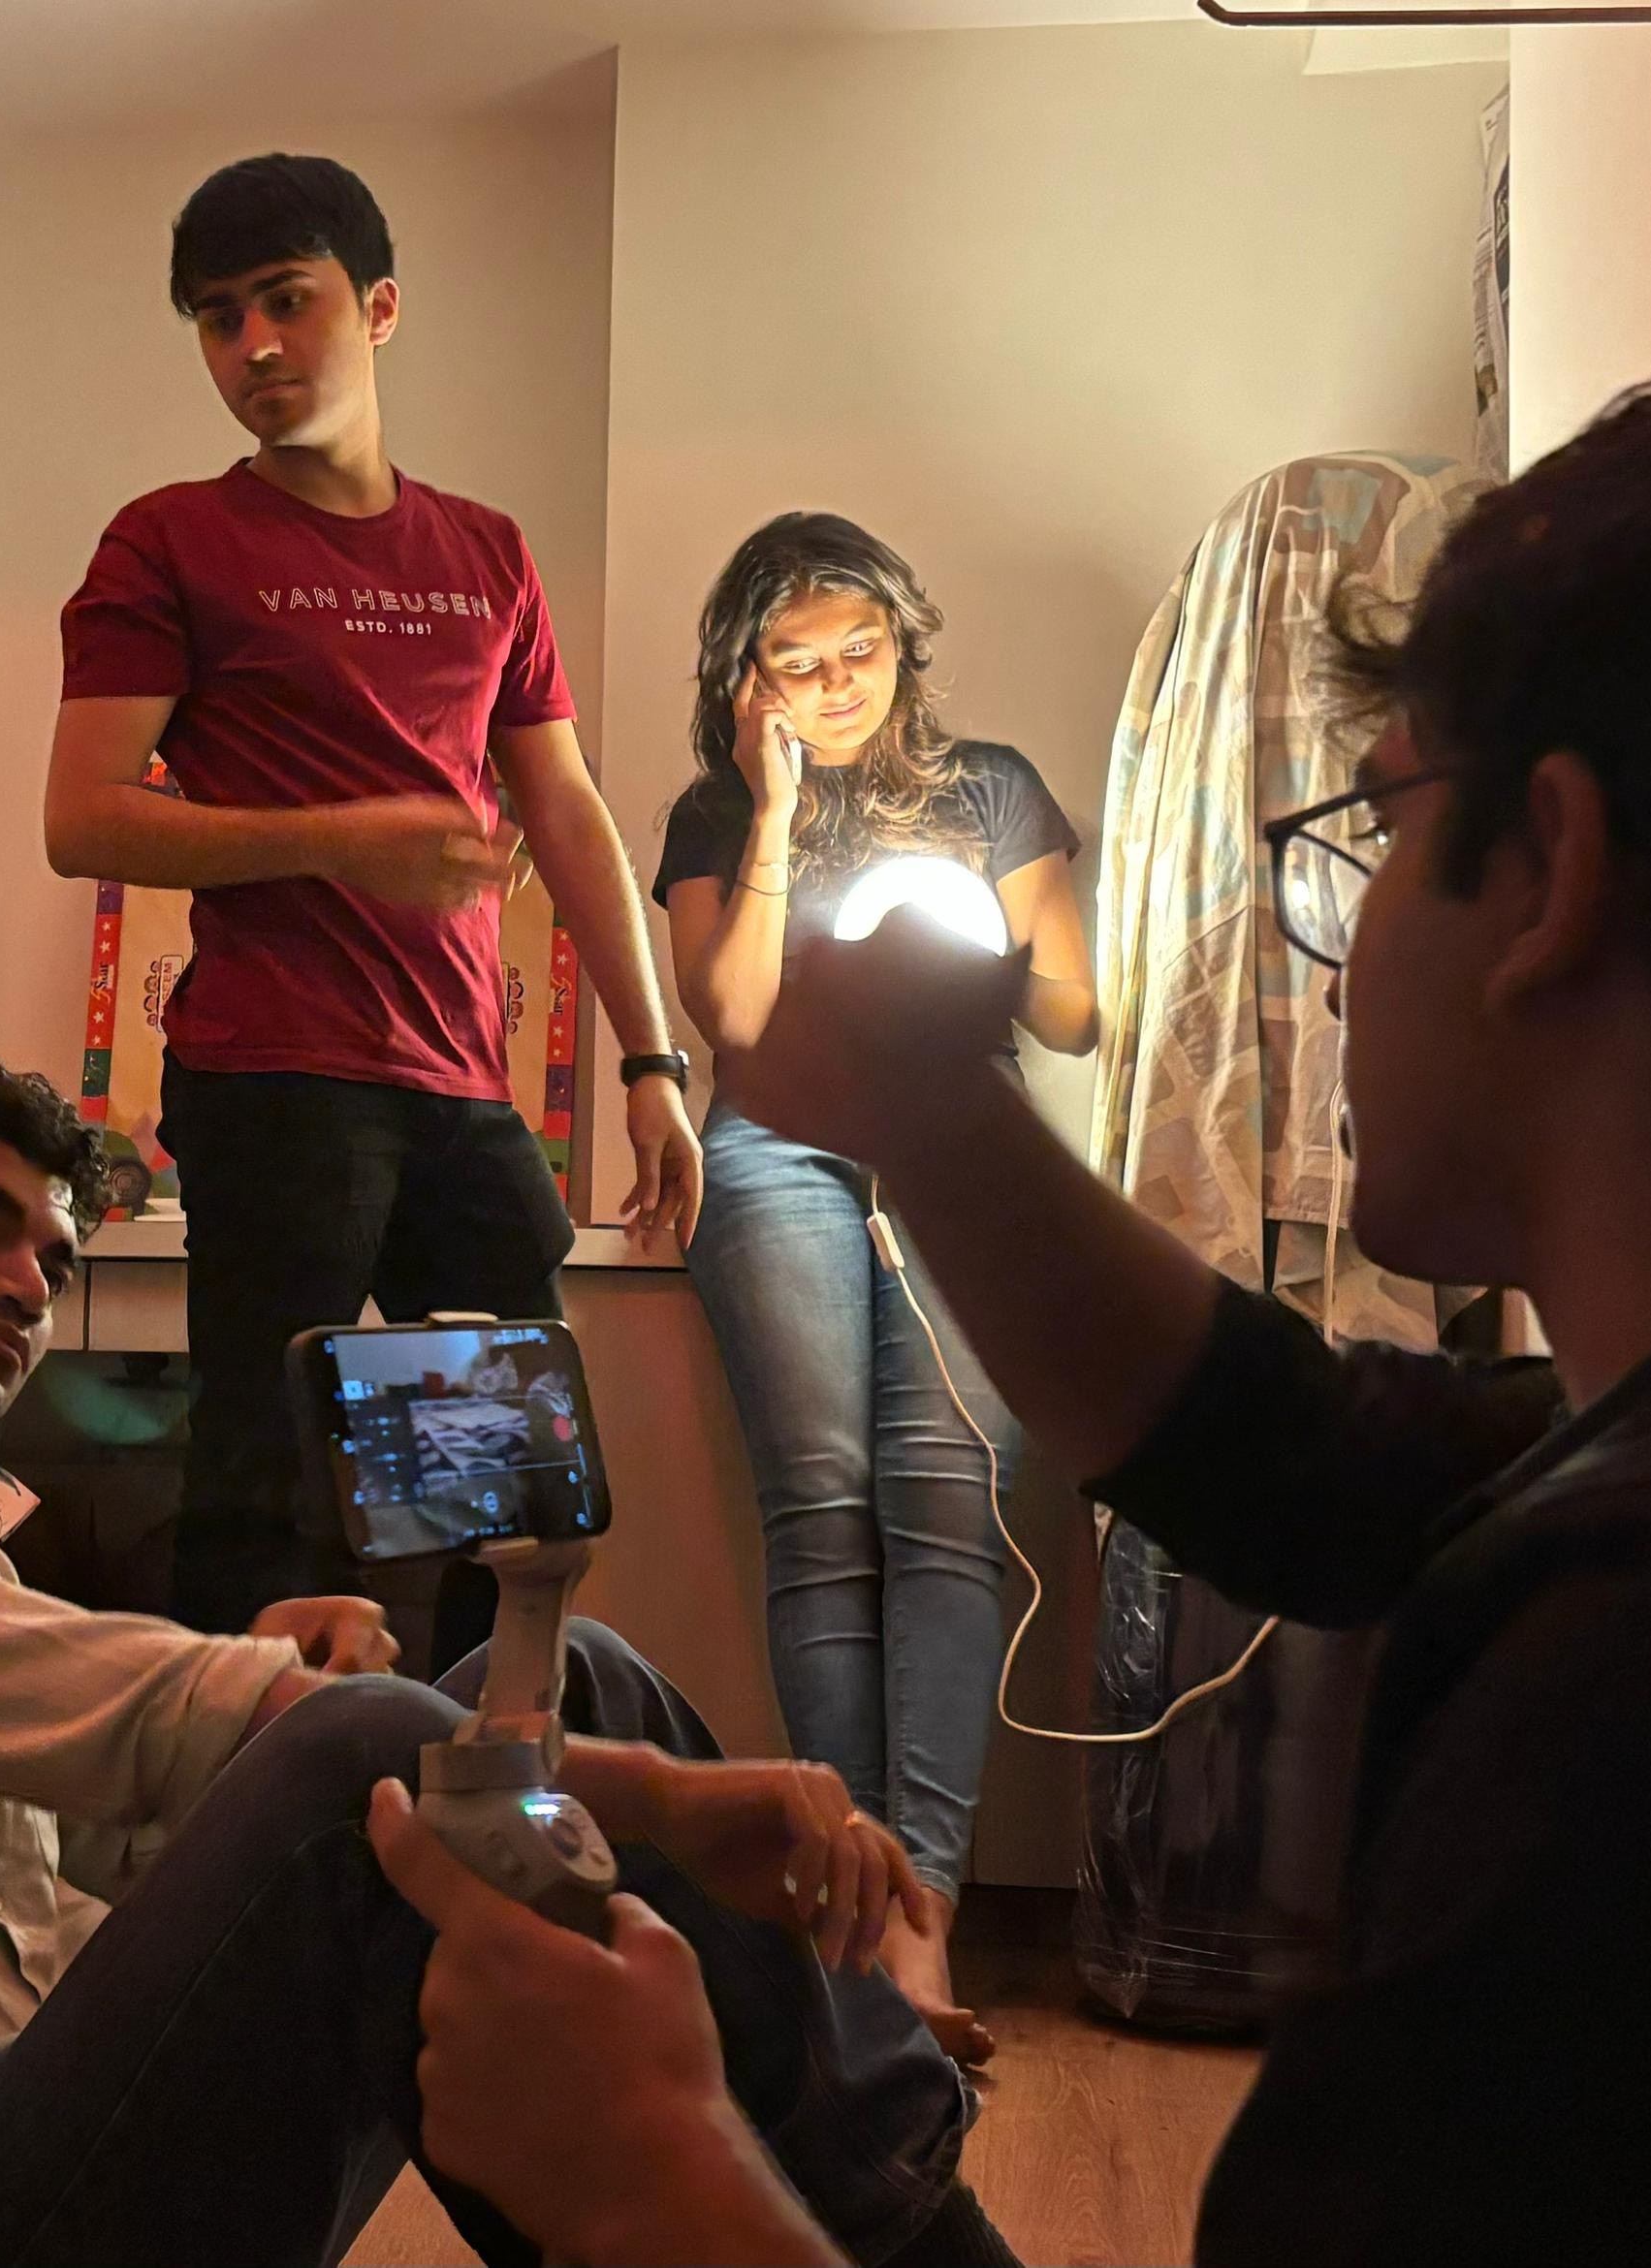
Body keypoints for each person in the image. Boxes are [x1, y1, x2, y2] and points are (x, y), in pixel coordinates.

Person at [373, 356, 1651, 2264]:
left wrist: (654, 2182)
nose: (1350, 913)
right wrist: (933, 1120)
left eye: (1375, 827)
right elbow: (1306, 1455)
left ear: (1548, 875)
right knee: (630, 1712)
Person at [0, 1056, 995, 2268]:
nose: (26, 1285)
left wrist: (265, 1731)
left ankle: (869, 2188)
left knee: (574, 1668)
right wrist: (657, 1802)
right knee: (365, 1758)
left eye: (51, 1256)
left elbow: (108, 1843)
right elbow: (192, 1730)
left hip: (39, 2137)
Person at [45, 154, 703, 1644]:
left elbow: (567, 808)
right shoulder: (170, 539)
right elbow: (82, 818)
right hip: (276, 1078)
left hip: (461, 1085)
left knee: (513, 1493)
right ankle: (252, 1780)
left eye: (288, 301)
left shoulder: (486, 551)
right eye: (219, 318)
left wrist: (652, 1065)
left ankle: (478, 1757)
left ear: (380, 308)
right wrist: (344, 843)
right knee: (265, 1491)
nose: (254, 346)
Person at [651, 514, 1094, 2062]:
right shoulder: (714, 812)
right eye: (798, 661)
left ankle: (925, 1919)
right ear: (746, 678)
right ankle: (849, 1916)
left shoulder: (992, 787)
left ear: (905, 643)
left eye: (862, 651)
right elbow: (731, 1014)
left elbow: (1077, 1013)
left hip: (956, 1139)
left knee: (949, 1505)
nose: (838, 683)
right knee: (824, 1515)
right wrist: (777, 814)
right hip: (775, 1149)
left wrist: (953, 958)